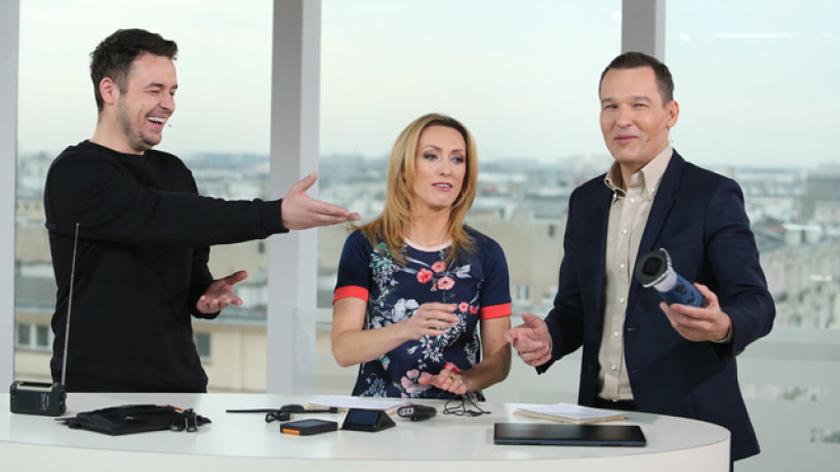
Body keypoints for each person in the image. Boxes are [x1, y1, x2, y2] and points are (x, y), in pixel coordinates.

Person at [43, 29, 358, 393]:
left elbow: (189, 264)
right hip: (94, 387)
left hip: (179, 383)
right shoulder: (76, 172)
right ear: (110, 90)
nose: (168, 104)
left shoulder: (174, 172)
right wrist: (276, 215)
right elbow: (160, 217)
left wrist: (204, 296)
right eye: (155, 90)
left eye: (172, 91)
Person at [505, 52, 775, 463]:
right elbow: (575, 308)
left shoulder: (711, 196)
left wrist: (723, 325)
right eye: (610, 106)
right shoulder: (586, 201)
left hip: (687, 424)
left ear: (671, 113)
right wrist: (550, 338)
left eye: (638, 105)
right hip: (599, 423)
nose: (622, 119)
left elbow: (757, 302)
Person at [331, 113, 511, 399]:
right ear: (404, 169)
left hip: (456, 416)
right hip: (378, 416)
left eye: (457, 159)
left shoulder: (487, 254)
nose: (446, 169)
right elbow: (343, 349)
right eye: (431, 156)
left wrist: (467, 380)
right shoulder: (364, 246)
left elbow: (499, 362)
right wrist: (407, 329)